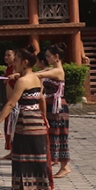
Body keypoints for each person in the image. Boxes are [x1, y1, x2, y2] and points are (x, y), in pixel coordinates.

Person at [0, 47, 54, 190]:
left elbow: (11, 102)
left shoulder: (22, 81)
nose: (14, 63)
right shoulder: (36, 78)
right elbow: (41, 99)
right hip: (38, 120)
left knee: (25, 159)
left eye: (17, 60)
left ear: (25, 62)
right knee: (39, 159)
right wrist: (44, 118)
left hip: (26, 122)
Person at [35, 44, 72, 179]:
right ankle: (55, 162)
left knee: (59, 136)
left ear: (56, 57)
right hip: (51, 106)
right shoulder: (52, 69)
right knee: (52, 135)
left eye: (49, 56)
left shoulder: (58, 71)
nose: (47, 58)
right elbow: (40, 74)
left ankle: (64, 166)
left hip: (58, 108)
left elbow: (41, 74)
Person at [0, 49, 18, 160]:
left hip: (15, 102)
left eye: (9, 55)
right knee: (9, 126)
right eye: (5, 55)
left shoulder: (16, 68)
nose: (6, 57)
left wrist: (15, 75)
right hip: (9, 101)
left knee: (14, 126)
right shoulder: (8, 69)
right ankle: (12, 150)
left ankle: (16, 151)